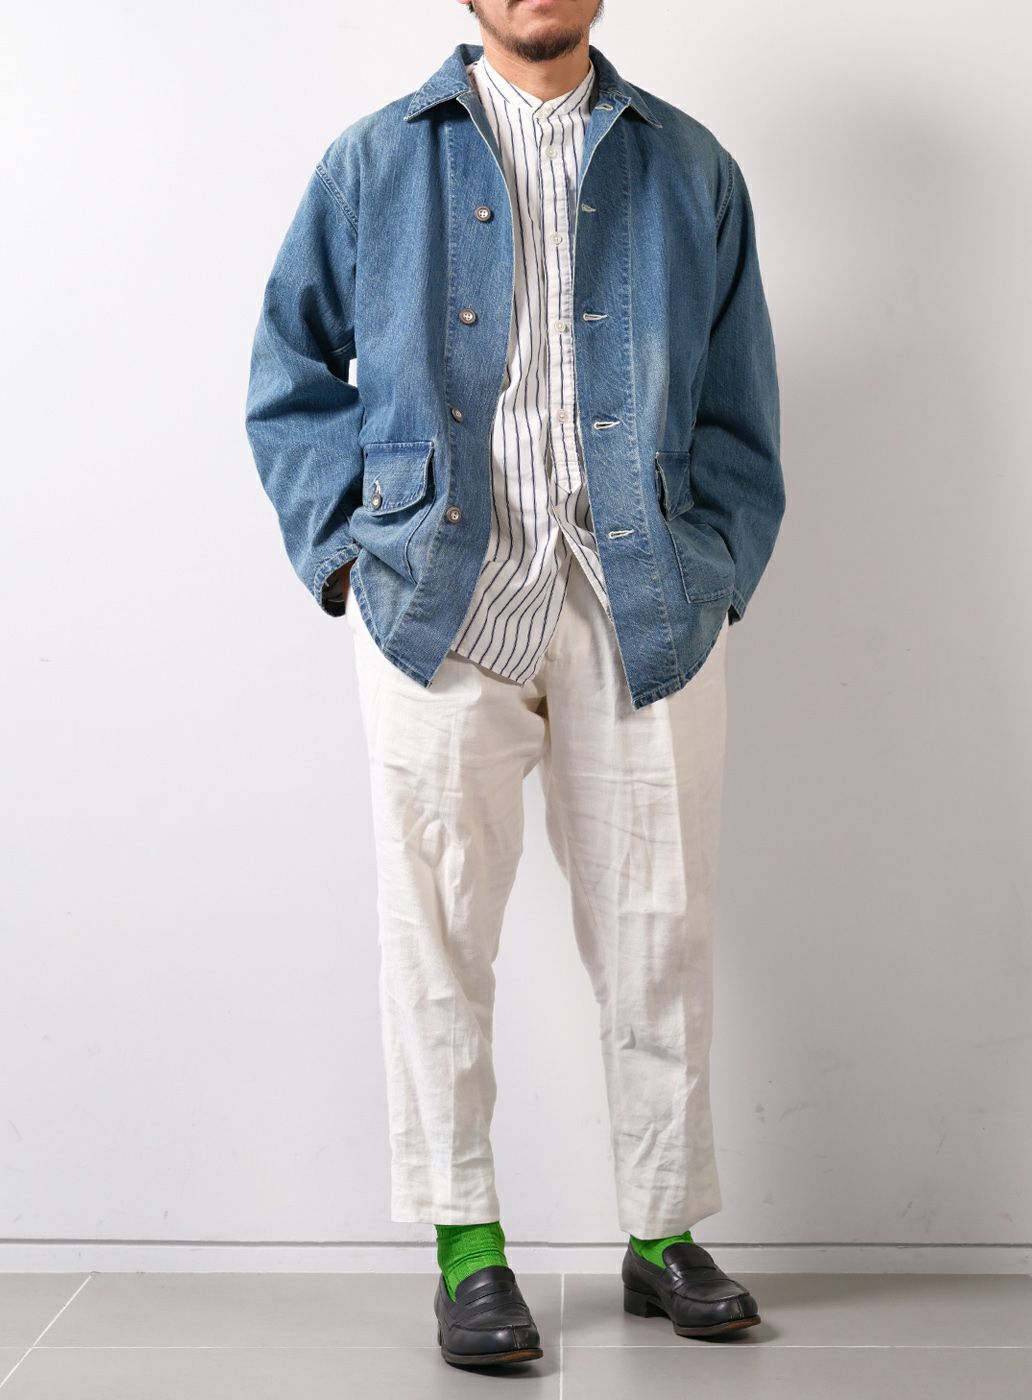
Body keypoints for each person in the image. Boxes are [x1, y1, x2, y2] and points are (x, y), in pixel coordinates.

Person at [245, 0, 784, 1370]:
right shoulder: (374, 161)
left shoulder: (692, 167)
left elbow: (740, 408)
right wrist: (348, 560)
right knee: (434, 937)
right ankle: (467, 1250)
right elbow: (288, 374)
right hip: (440, 603)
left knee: (658, 930)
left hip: (641, 606)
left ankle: (662, 1233)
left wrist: (713, 572)